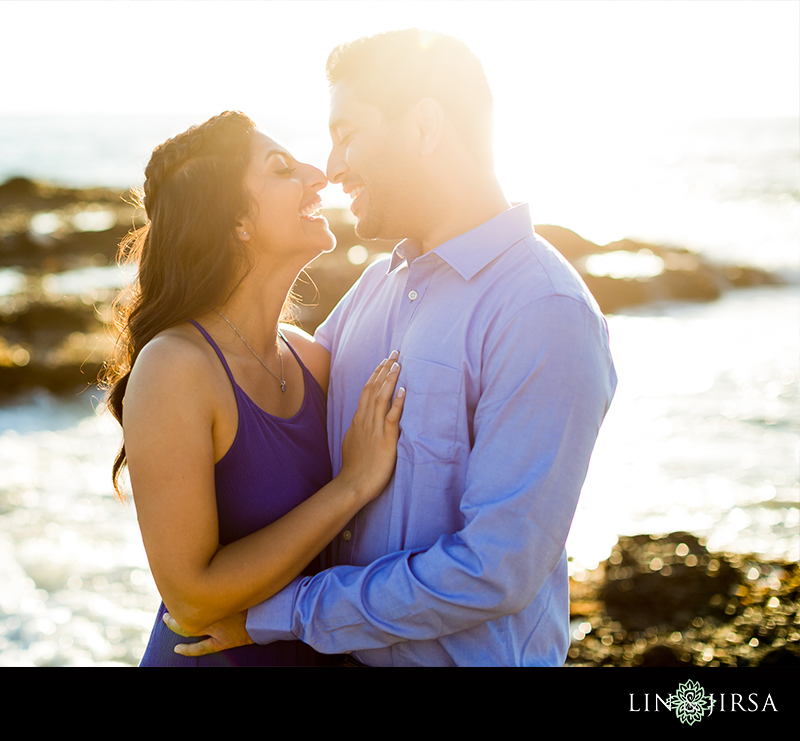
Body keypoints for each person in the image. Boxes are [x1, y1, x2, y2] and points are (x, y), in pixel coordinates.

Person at [167, 29, 619, 666]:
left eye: (347, 134)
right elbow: (272, 414)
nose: (332, 167)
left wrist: (282, 614)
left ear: (425, 126)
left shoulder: (543, 310)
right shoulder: (378, 286)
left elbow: (494, 568)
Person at [104, 110, 406, 666]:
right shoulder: (175, 367)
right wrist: (352, 485)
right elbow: (191, 598)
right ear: (236, 218)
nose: (319, 175)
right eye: (283, 168)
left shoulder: (312, 358)